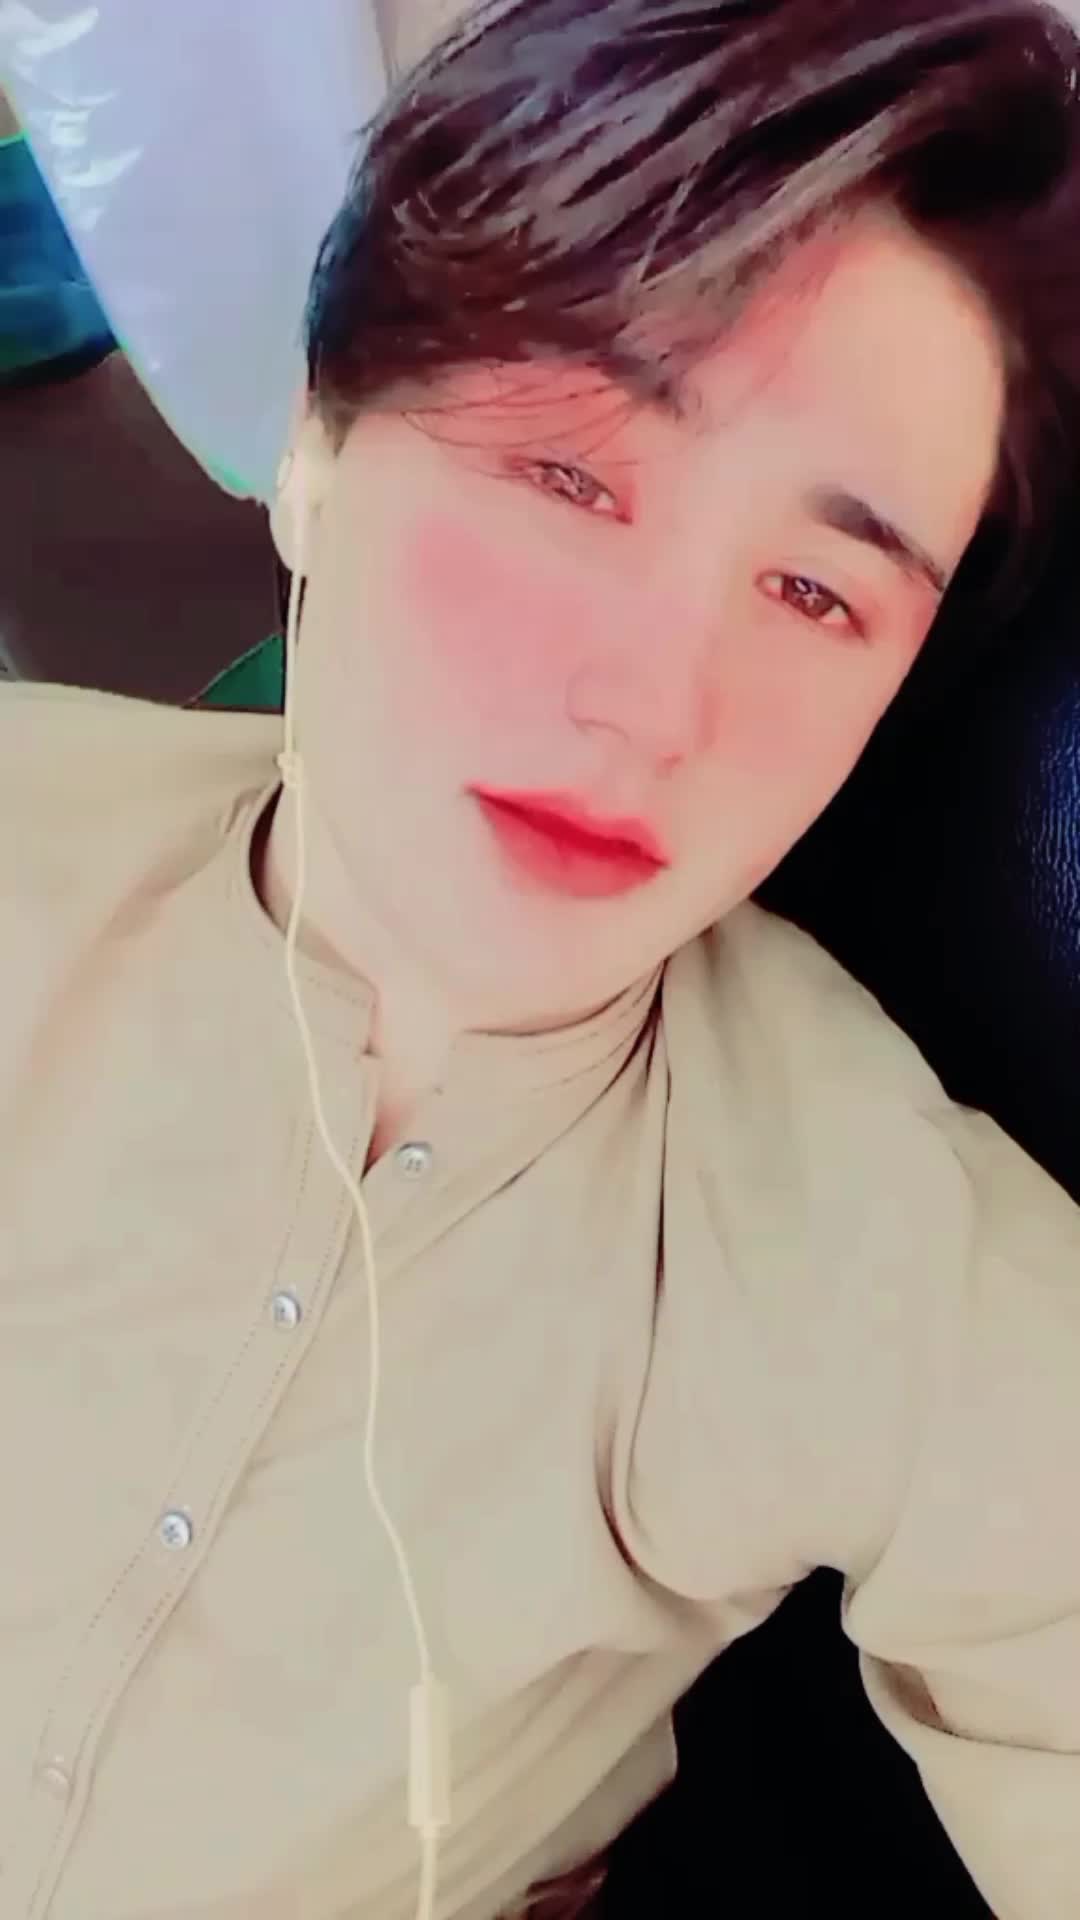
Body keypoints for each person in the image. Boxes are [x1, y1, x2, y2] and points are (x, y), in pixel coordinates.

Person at [3, 3, 1080, 1918]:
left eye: (817, 591)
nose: (654, 705)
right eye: (569, 477)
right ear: (315, 449)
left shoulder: (881, 1264)